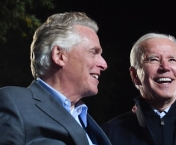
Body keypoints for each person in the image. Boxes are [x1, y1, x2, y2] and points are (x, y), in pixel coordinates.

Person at [0, 12, 111, 145]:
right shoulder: (13, 102)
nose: (104, 64)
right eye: (93, 53)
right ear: (59, 55)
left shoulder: (91, 124)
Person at [102, 33, 176, 145]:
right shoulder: (108, 135)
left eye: (172, 60)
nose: (165, 67)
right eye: (153, 59)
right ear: (135, 75)